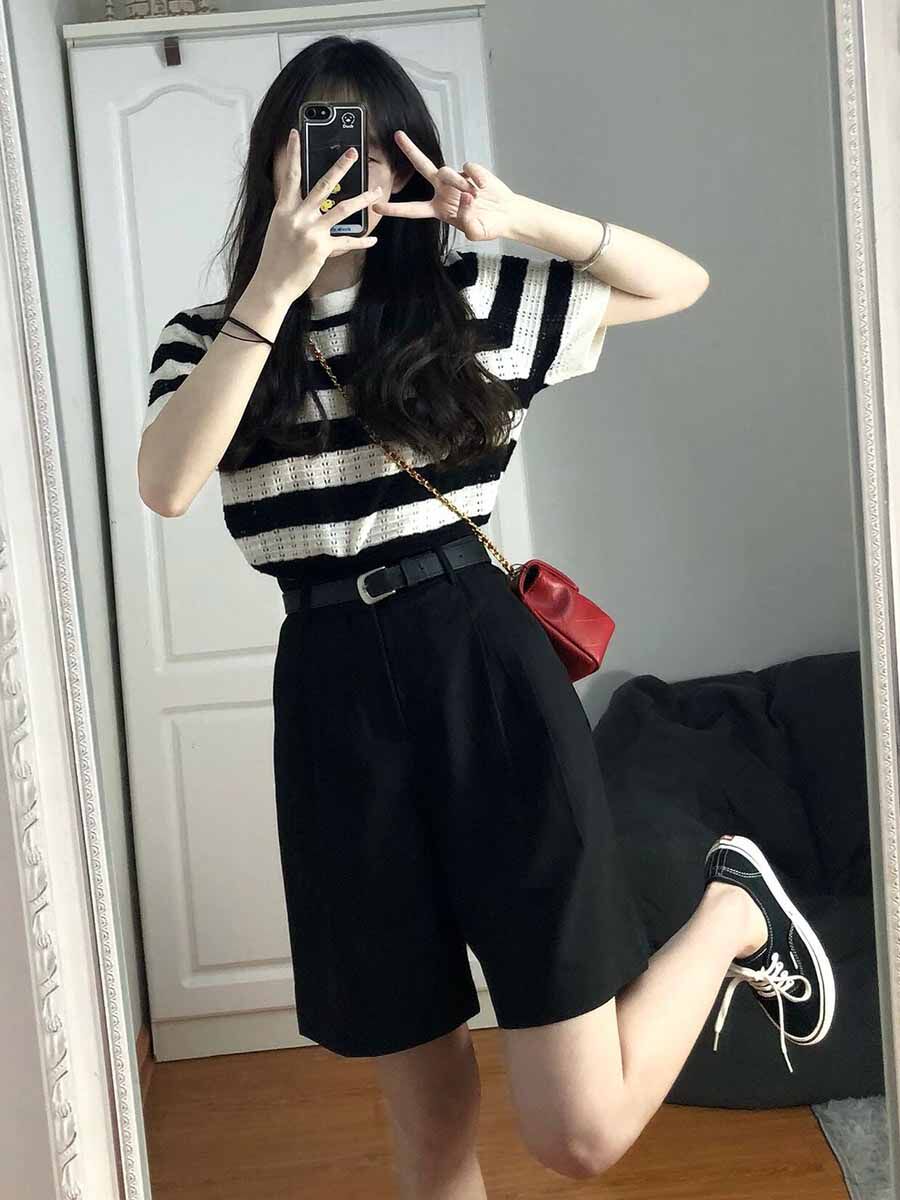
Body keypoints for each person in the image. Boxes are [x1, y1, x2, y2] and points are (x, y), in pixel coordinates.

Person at [137, 34, 835, 1196]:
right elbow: (166, 484)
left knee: (578, 1134)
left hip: (481, 670)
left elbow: (679, 283)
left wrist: (518, 219)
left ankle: (732, 913)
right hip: (331, 699)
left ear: (409, 165)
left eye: (368, 151)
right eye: (315, 147)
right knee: (426, 1120)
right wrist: (271, 287)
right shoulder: (211, 338)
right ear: (270, 165)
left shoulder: (475, 302)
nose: (341, 174)